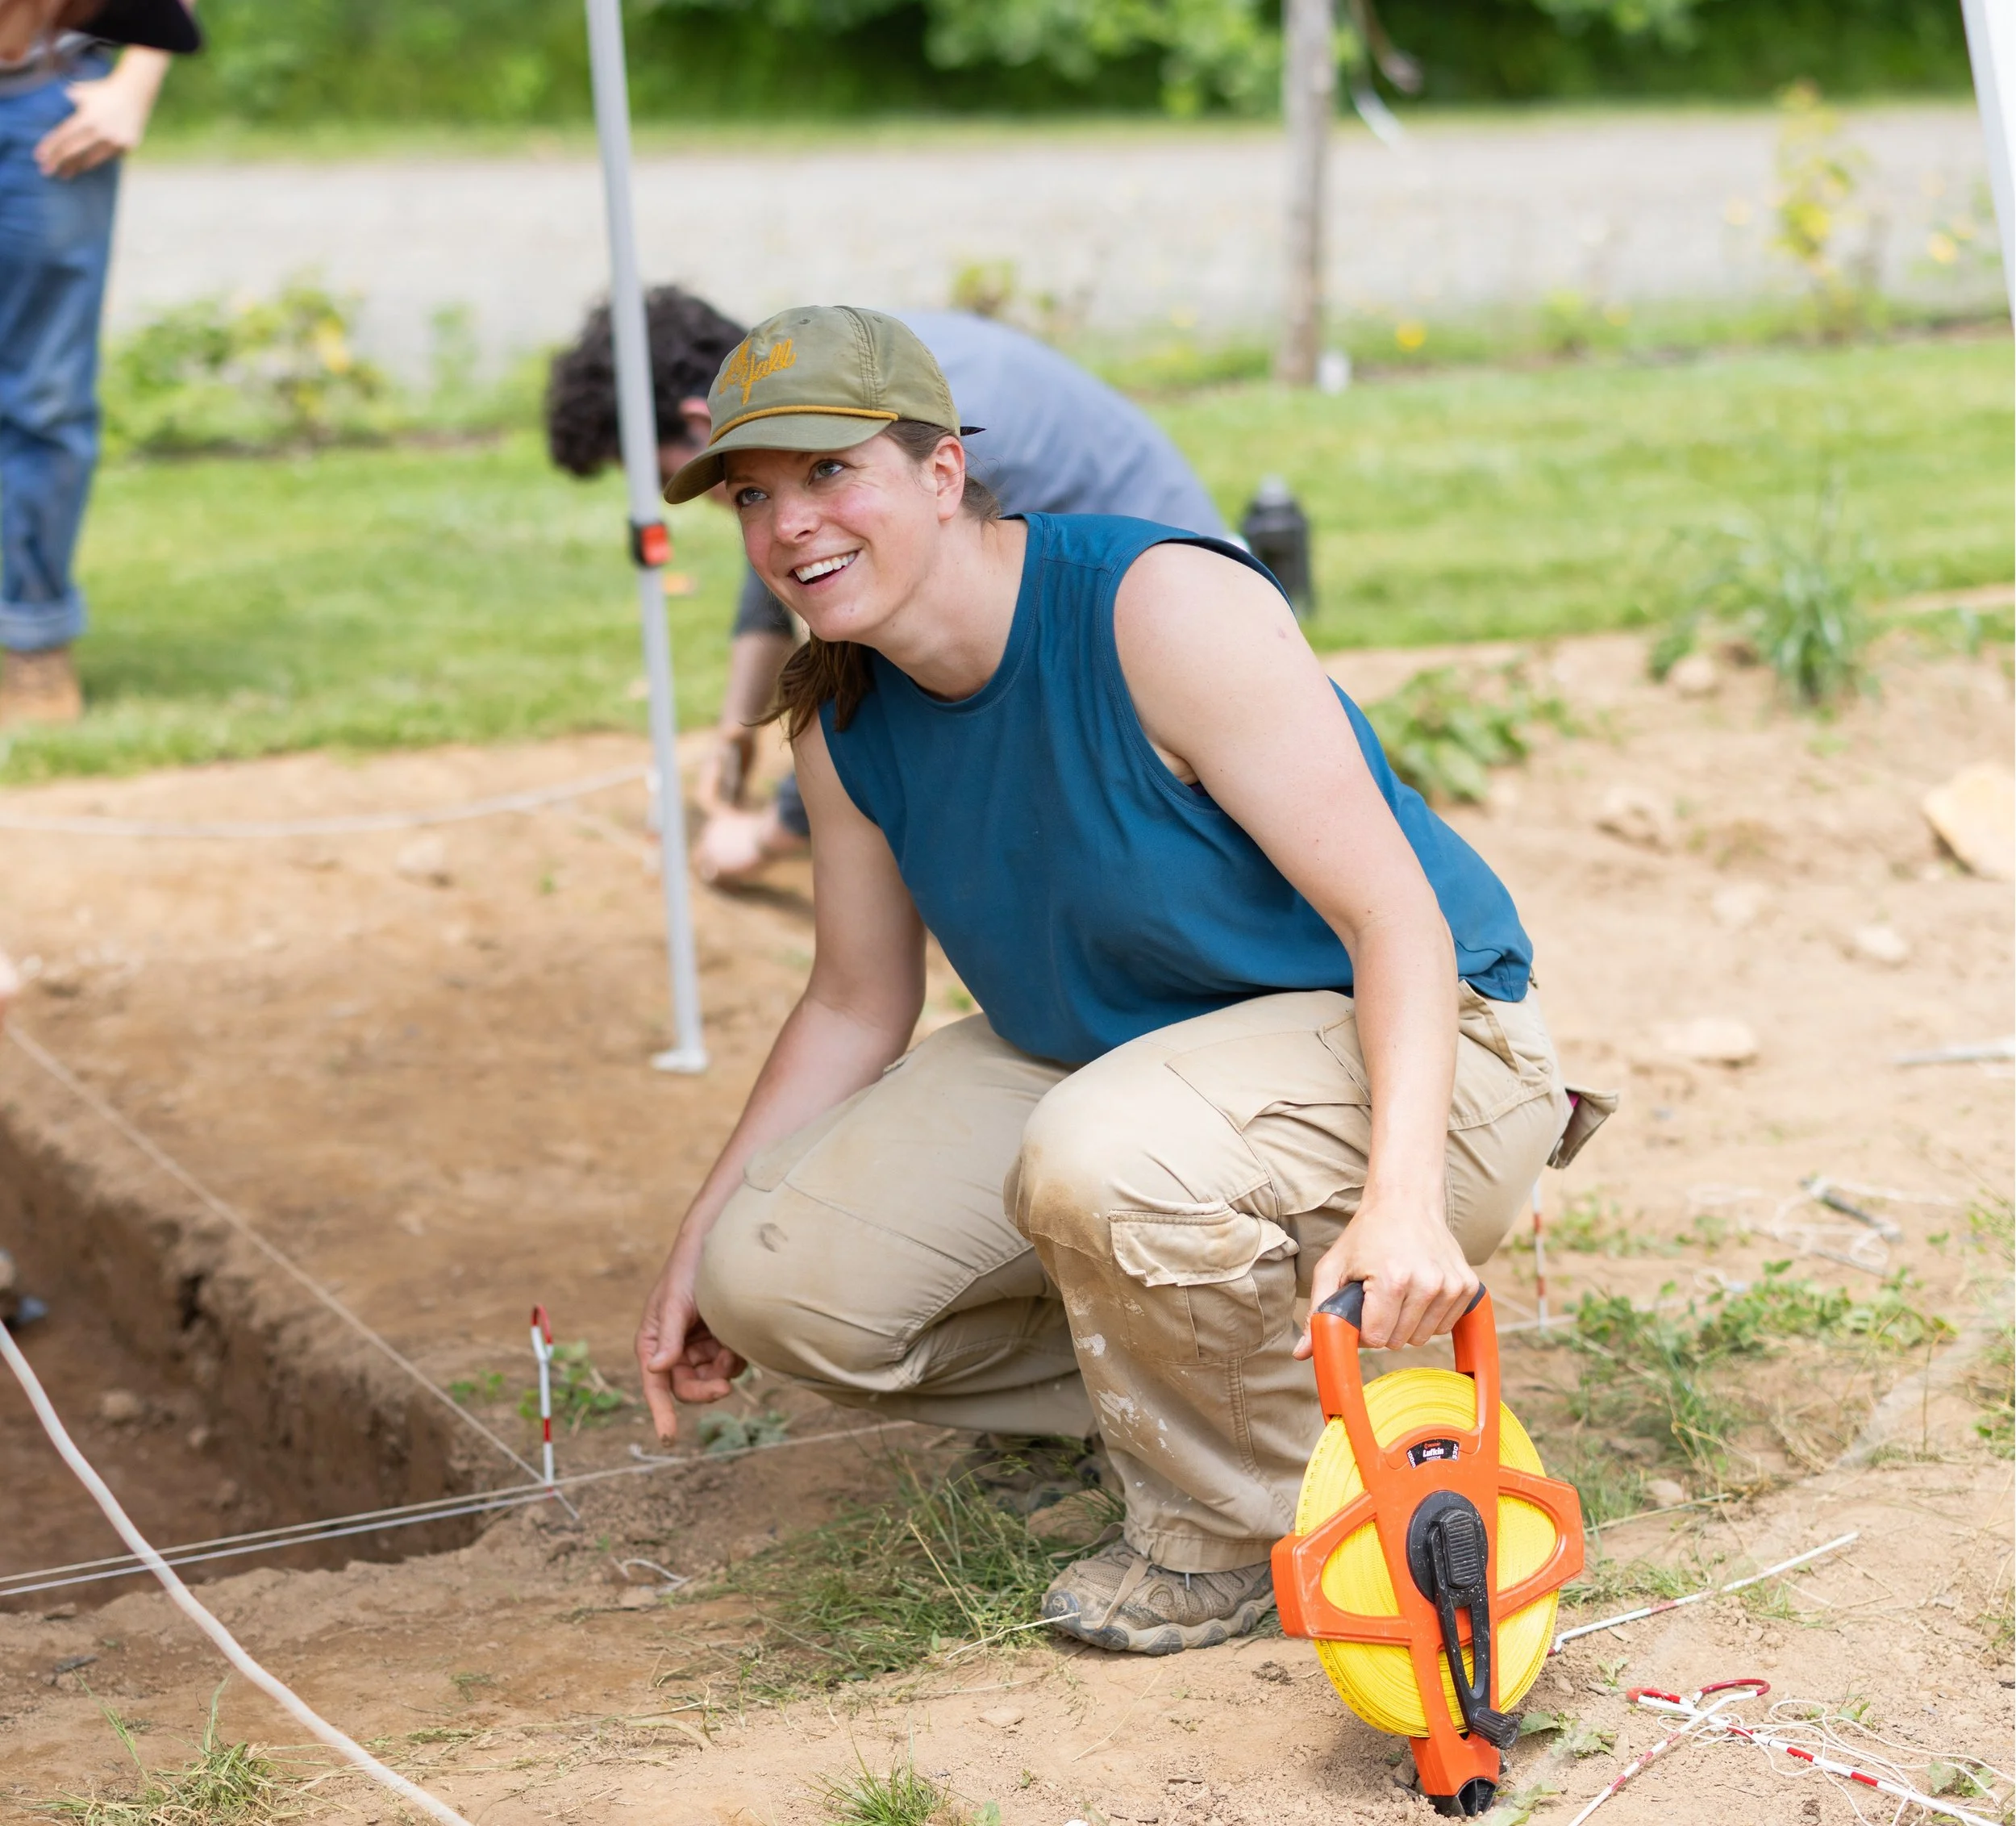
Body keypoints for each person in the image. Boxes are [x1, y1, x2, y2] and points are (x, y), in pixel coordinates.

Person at [634, 306, 1597, 1657]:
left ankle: (1244, 1526)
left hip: (1427, 1061)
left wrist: (1402, 1203)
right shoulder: (842, 711)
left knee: (1102, 1151)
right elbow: (855, 1000)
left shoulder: (1162, 608)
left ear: (942, 473)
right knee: (780, 1279)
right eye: (756, 494)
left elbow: (1398, 919)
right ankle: (1196, 1380)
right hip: (1119, 1064)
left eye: (830, 472)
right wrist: (697, 1233)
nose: (792, 524)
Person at [544, 287, 1229, 885]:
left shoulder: (901, 443)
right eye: (752, 494)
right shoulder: (849, 378)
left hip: (1179, 625)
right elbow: (791, 567)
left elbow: (871, 684)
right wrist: (736, 729)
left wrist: (765, 835)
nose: (780, 521)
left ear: (700, 425)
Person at [0, 0, 197, 728]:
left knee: (43, 397)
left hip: (46, 114)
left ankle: (35, 637)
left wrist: (134, 82)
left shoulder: (55, 39)